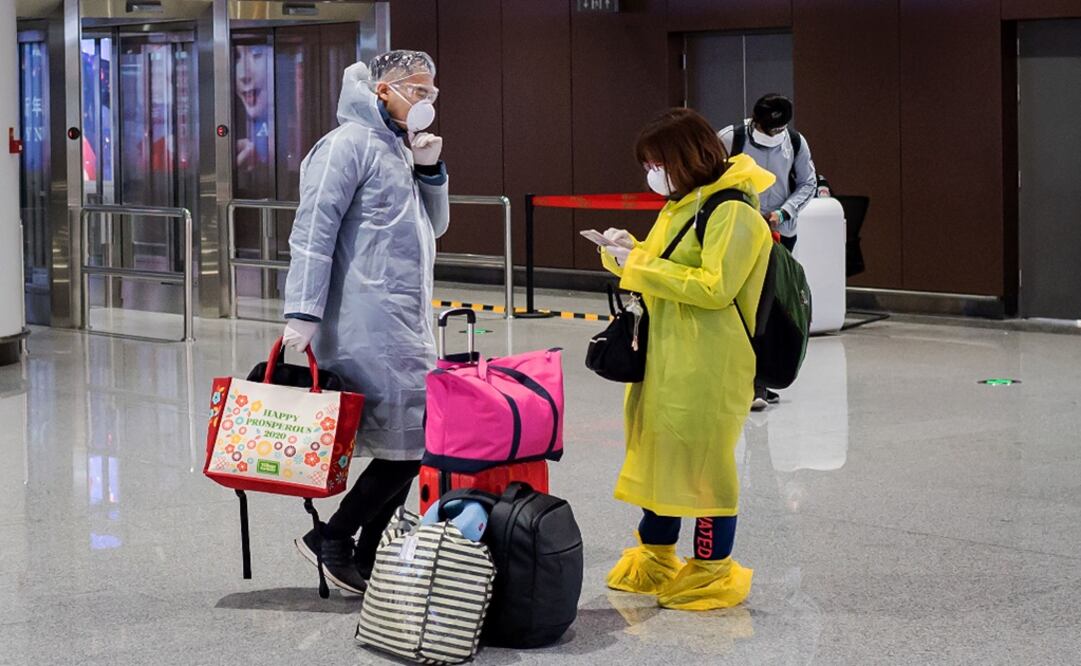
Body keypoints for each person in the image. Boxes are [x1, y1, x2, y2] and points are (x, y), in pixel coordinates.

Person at [281, 50, 449, 595]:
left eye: (430, 94)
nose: (425, 103)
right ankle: (333, 541)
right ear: (384, 92)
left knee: (412, 443)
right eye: (417, 92)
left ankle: (364, 553)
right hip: (363, 323)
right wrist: (301, 315)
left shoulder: (399, 149)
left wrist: (431, 172)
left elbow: (435, 226)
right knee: (408, 447)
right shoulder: (345, 145)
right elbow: (313, 233)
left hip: (404, 321)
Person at [597, 108, 774, 611]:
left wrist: (641, 264)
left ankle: (711, 568)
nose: (653, 172)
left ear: (686, 157)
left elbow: (717, 287)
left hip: (709, 363)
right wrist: (623, 252)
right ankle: (655, 555)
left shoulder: (733, 210)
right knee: (662, 458)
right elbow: (663, 265)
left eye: (658, 162)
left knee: (704, 467)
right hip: (669, 357)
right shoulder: (684, 204)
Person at [719, 94, 816, 411]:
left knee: (770, 306)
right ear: (754, 121)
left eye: (778, 130)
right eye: (766, 129)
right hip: (738, 234)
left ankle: (763, 378)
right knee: (741, 307)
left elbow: (808, 184)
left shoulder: (797, 143)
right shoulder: (730, 138)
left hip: (778, 235)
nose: (773, 135)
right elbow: (712, 183)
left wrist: (783, 214)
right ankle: (744, 380)